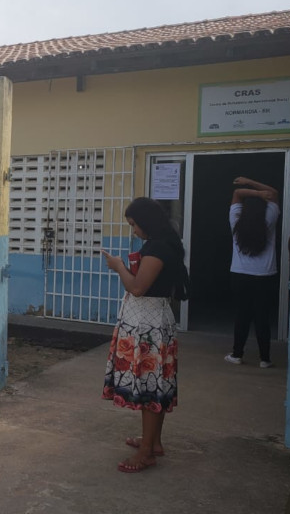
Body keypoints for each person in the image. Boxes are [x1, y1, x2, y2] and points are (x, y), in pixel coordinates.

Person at [101, 197, 189, 473]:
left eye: (134, 225)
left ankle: (146, 452)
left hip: (147, 326)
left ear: (146, 222)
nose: (134, 231)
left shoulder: (158, 248)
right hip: (151, 322)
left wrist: (118, 268)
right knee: (155, 385)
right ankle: (153, 442)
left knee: (150, 387)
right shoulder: (162, 244)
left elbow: (138, 288)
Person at [224, 176, 279, 368]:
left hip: (240, 274)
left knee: (242, 315)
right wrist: (256, 185)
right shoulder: (269, 219)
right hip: (265, 275)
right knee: (262, 316)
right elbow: (273, 193)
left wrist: (250, 190)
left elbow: (237, 193)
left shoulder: (236, 219)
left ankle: (237, 354)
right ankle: (265, 359)